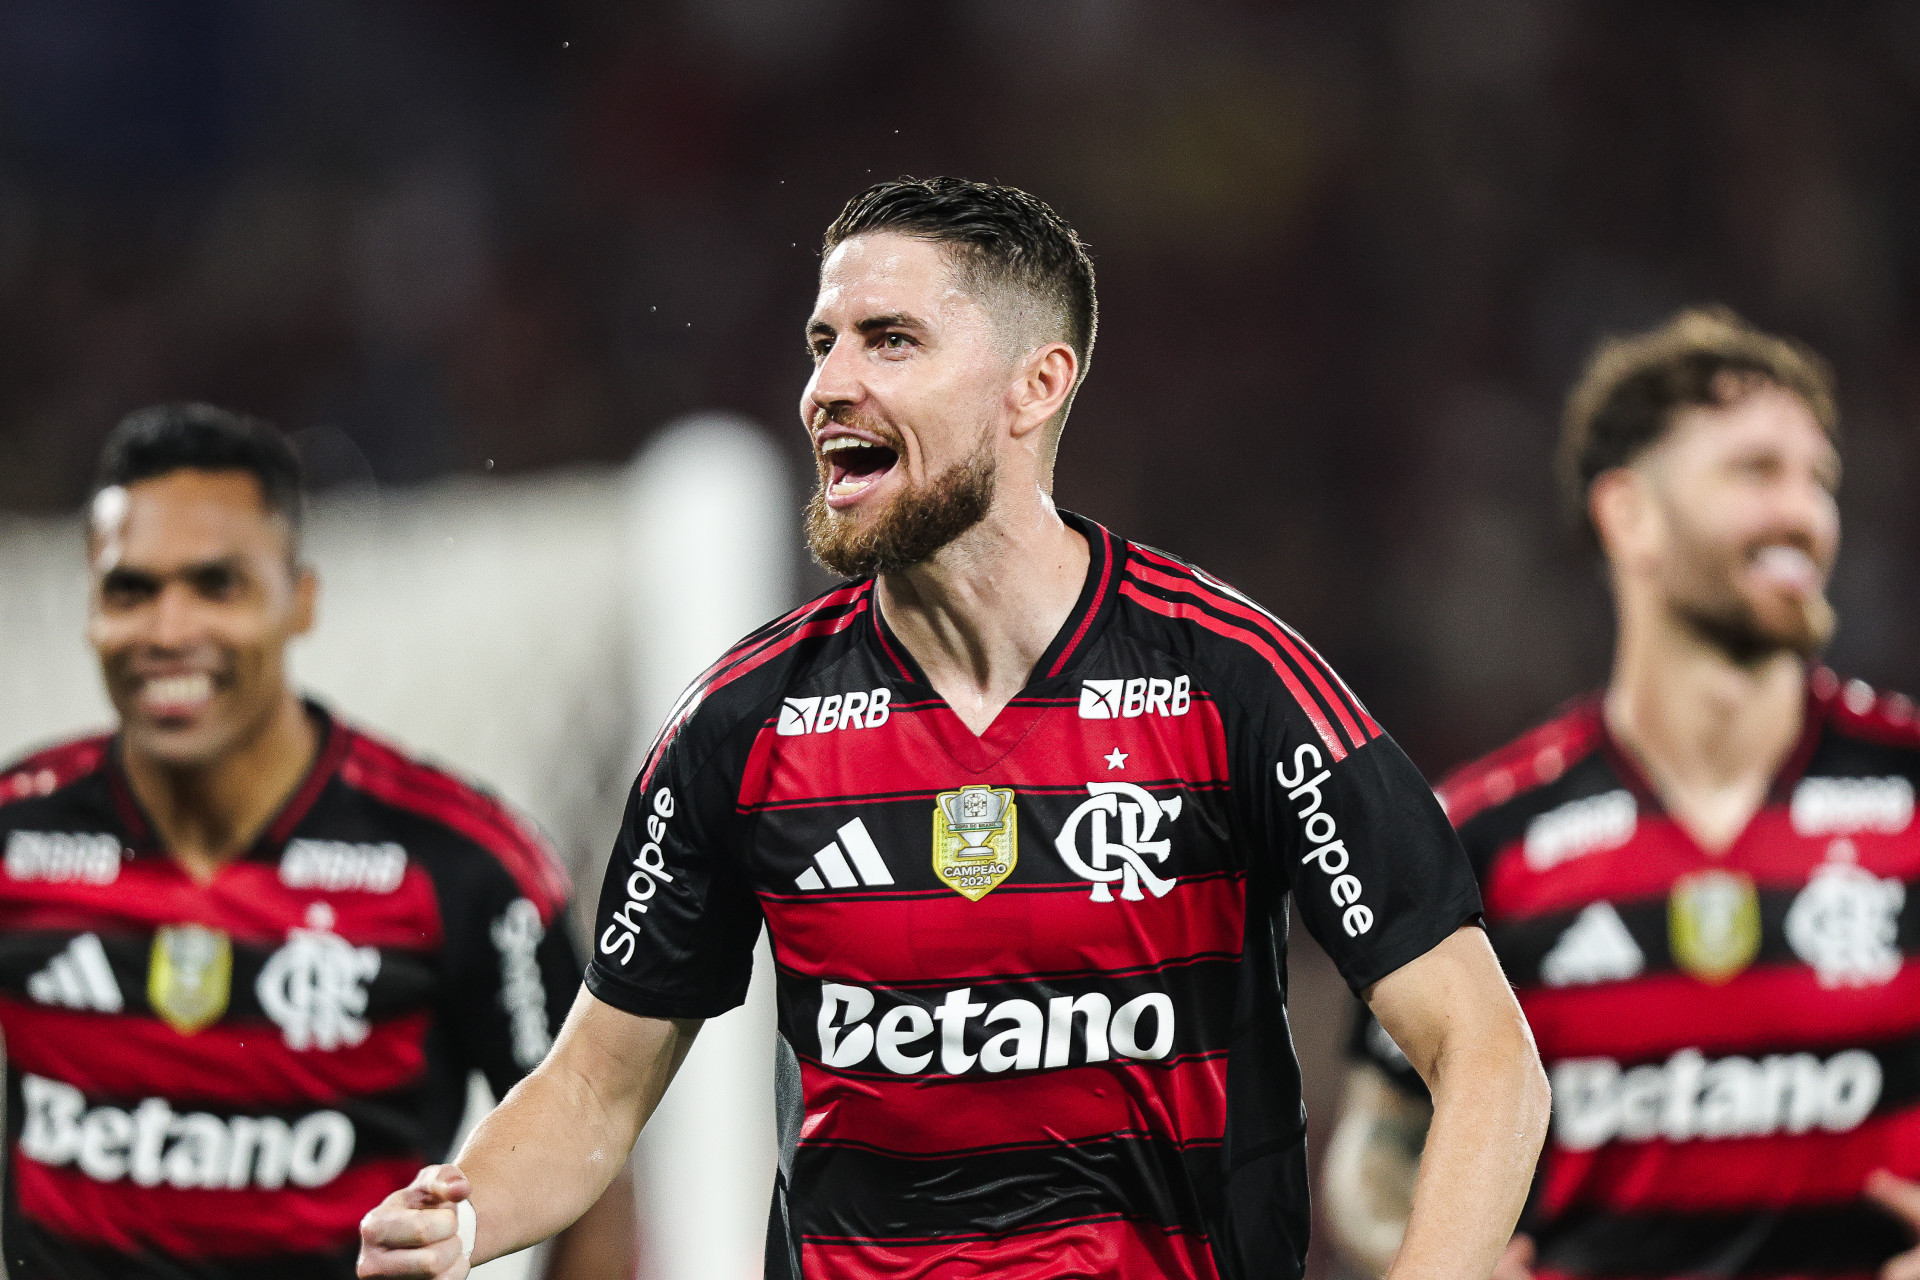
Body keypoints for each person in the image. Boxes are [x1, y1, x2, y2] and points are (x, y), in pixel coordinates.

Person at [357, 176, 1547, 1280]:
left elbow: (1487, 1057)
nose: (830, 385)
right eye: (823, 343)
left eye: (891, 341)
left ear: (1036, 385)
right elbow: (594, 1093)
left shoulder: (1230, 680)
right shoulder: (745, 723)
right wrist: (461, 1210)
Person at [1324, 308, 1920, 1278]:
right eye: (1755, 471)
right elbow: (1375, 1155)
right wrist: (1435, 1255)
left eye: (1820, 480)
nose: (1804, 514)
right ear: (1628, 513)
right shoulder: (1482, 835)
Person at [0, 404, 637, 1279]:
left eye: (216, 585)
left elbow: (592, 1171)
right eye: (131, 589)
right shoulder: (18, 837)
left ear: (299, 601)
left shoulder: (458, 863)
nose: (169, 630)